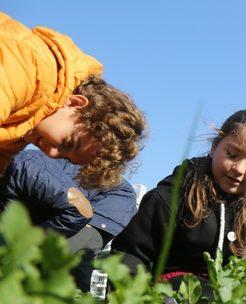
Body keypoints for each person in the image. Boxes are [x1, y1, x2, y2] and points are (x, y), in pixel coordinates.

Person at [112, 109, 246, 292]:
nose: (239, 169)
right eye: (232, 155)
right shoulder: (171, 198)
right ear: (214, 148)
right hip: (175, 301)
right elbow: (130, 255)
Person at [0, 12, 146, 189]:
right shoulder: (31, 71)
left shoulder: (27, 126)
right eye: (68, 143)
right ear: (75, 104)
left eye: (64, 157)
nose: (51, 153)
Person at [0, 149, 137, 291]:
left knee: (61, 265)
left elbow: (79, 211)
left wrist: (29, 240)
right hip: (69, 204)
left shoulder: (29, 170)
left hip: (104, 204)